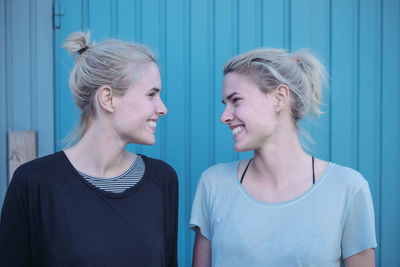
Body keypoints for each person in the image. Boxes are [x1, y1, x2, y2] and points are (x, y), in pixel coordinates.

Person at [0, 32, 178, 266]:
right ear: (108, 98)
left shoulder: (162, 180)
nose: (162, 108)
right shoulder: (34, 183)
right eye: (151, 94)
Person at [190, 48, 376, 267]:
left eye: (236, 100)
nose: (224, 117)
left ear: (280, 97)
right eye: (225, 104)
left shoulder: (347, 187)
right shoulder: (213, 184)